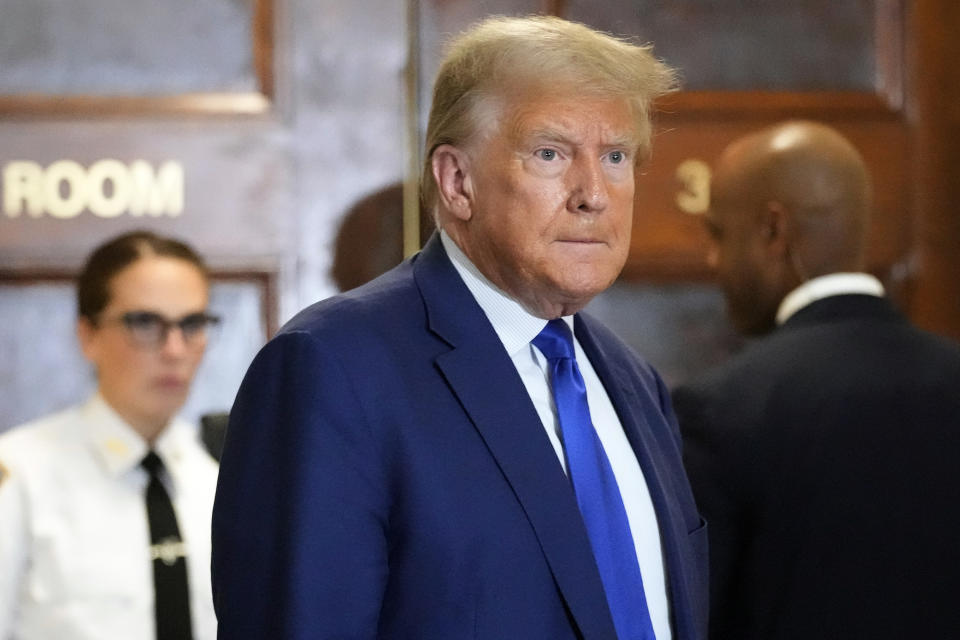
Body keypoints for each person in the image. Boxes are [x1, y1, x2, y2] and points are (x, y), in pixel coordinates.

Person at [212, 15, 707, 640]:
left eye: (615, 156)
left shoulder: (635, 383)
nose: (594, 194)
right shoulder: (332, 371)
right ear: (457, 181)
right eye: (551, 153)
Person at [672, 121, 960, 639]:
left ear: (774, 231)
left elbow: (695, 618)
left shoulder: (720, 410)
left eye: (718, 233)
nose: (712, 260)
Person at [0, 230, 222, 640]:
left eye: (192, 324)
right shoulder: (20, 474)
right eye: (144, 323)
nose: (175, 349)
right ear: (88, 335)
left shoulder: (219, 473)